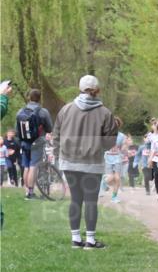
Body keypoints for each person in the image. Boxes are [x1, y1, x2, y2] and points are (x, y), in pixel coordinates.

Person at [52, 75, 118, 249]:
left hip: (69, 160)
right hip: (92, 162)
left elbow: (56, 135)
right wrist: (97, 145)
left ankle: (75, 239)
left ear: (80, 88)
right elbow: (110, 141)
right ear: (97, 90)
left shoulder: (66, 110)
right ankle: (90, 240)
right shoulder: (105, 113)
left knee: (75, 199)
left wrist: (58, 155)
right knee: (90, 201)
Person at [15, 88, 54, 200]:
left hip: (24, 143)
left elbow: (17, 130)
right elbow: (49, 128)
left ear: (29, 97)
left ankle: (26, 192)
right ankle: (31, 193)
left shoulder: (20, 111)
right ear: (39, 98)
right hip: (37, 143)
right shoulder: (43, 112)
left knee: (26, 167)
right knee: (33, 166)